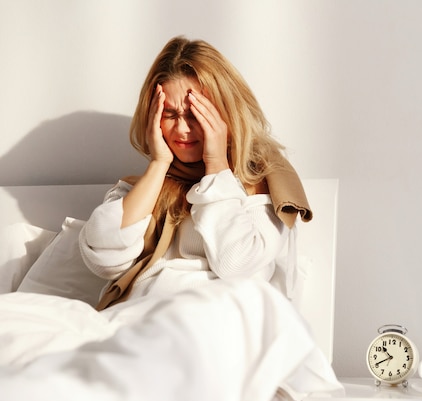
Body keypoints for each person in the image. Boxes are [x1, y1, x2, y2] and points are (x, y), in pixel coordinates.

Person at [79, 36, 312, 310]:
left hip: (215, 322)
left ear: (226, 111)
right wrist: (158, 164)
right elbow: (102, 259)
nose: (182, 129)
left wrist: (215, 164)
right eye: (169, 114)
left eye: (195, 114)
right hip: (139, 320)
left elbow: (235, 265)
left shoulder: (263, 184)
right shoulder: (143, 189)